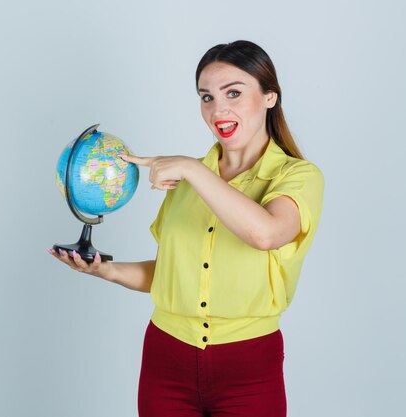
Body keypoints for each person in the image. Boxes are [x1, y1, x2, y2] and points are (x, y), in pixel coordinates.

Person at [48, 40, 324, 417]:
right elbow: (170, 274)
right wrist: (105, 270)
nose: (218, 109)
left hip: (249, 367)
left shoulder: (298, 176)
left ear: (270, 97)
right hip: (166, 359)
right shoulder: (186, 180)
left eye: (233, 93)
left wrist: (193, 169)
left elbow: (267, 234)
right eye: (206, 97)